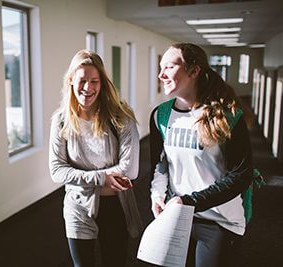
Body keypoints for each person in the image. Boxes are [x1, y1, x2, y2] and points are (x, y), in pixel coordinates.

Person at [149, 43, 253, 267]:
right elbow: (161, 165)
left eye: (169, 66)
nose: (161, 74)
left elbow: (241, 176)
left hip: (218, 220)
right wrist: (157, 195)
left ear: (194, 71)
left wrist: (189, 201)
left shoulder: (227, 115)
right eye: (160, 67)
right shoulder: (161, 115)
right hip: (177, 217)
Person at [49, 49, 141, 267]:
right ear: (71, 80)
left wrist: (82, 178)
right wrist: (102, 179)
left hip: (115, 205)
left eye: (94, 81)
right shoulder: (61, 120)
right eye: (82, 80)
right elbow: (56, 171)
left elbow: (130, 170)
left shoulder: (120, 116)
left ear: (102, 83)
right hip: (78, 205)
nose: (88, 88)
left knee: (115, 262)